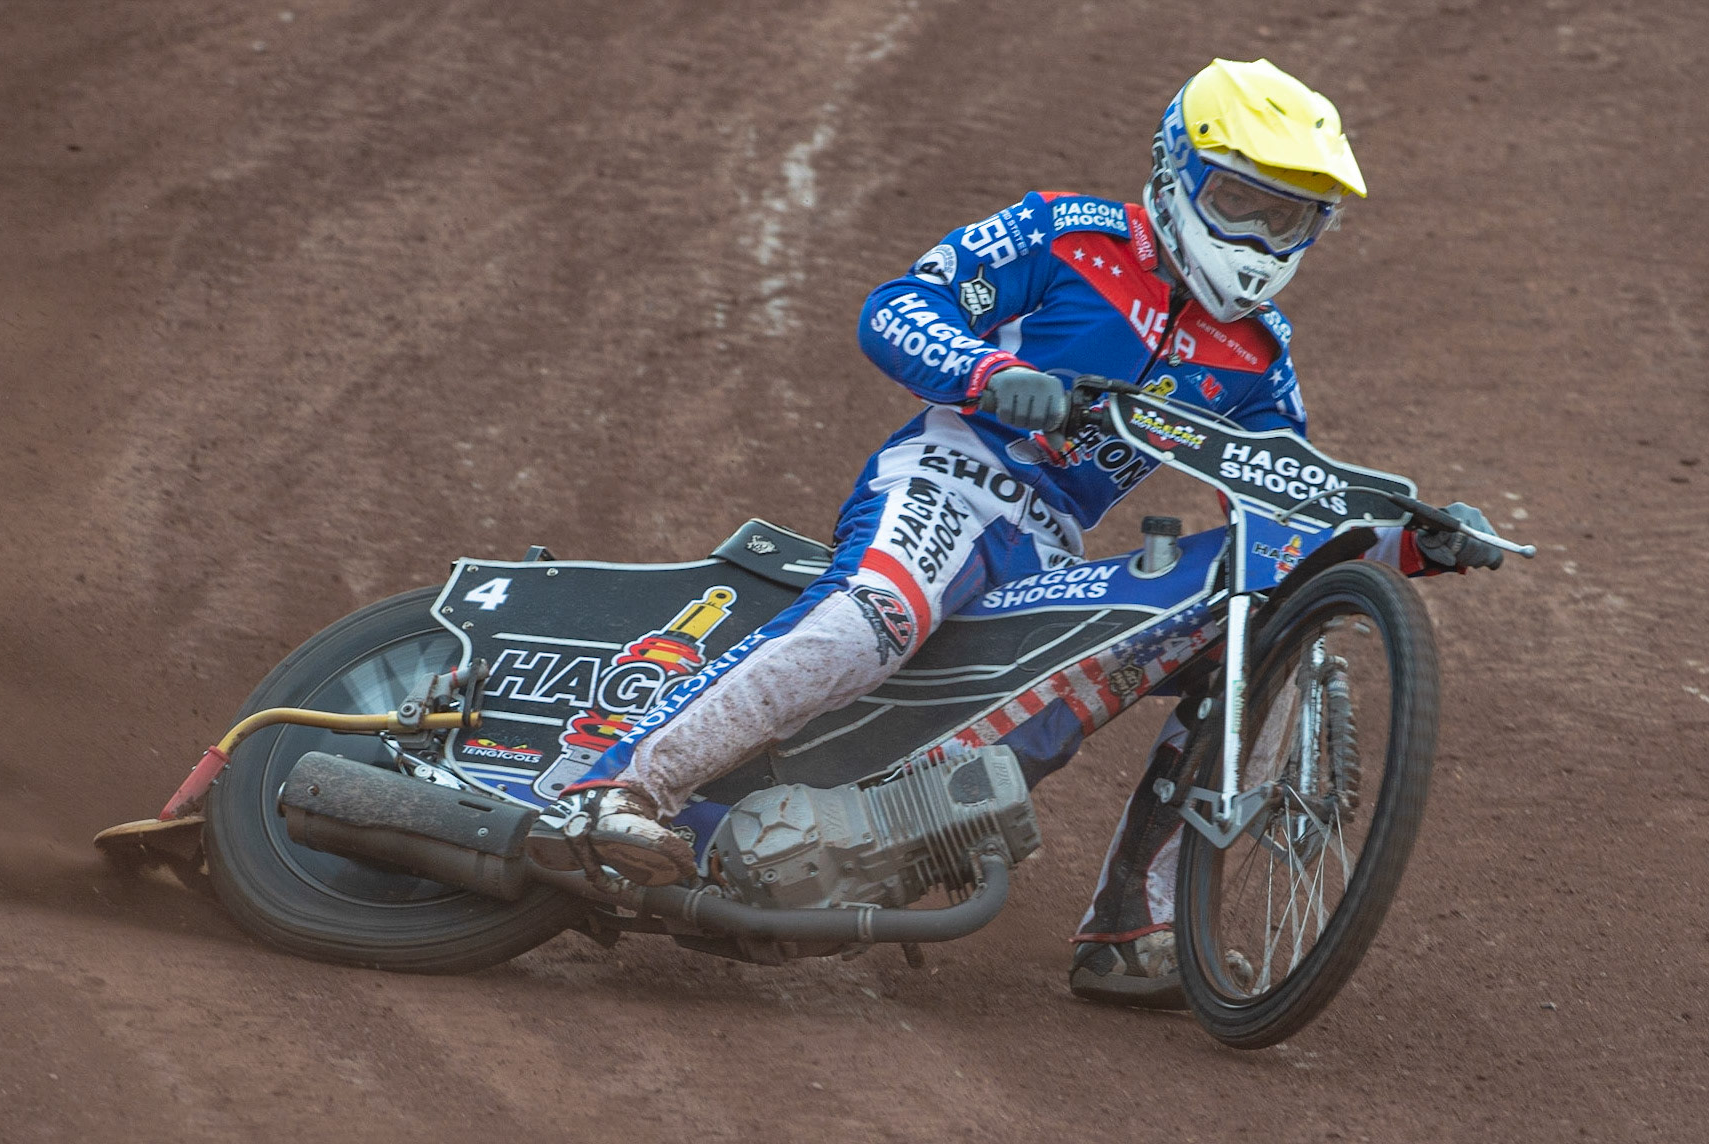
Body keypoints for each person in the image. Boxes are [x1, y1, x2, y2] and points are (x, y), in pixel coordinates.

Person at [526, 58, 1502, 1006]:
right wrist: (990, 377)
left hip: (1044, 549)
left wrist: (1409, 541)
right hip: (953, 474)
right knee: (875, 617)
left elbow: (1286, 504)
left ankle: (1132, 925)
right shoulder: (1067, 233)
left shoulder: (1255, 355)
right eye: (1239, 202)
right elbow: (897, 308)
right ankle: (621, 788)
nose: (1256, 235)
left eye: (1284, 216)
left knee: (1258, 620)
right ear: (1176, 173)